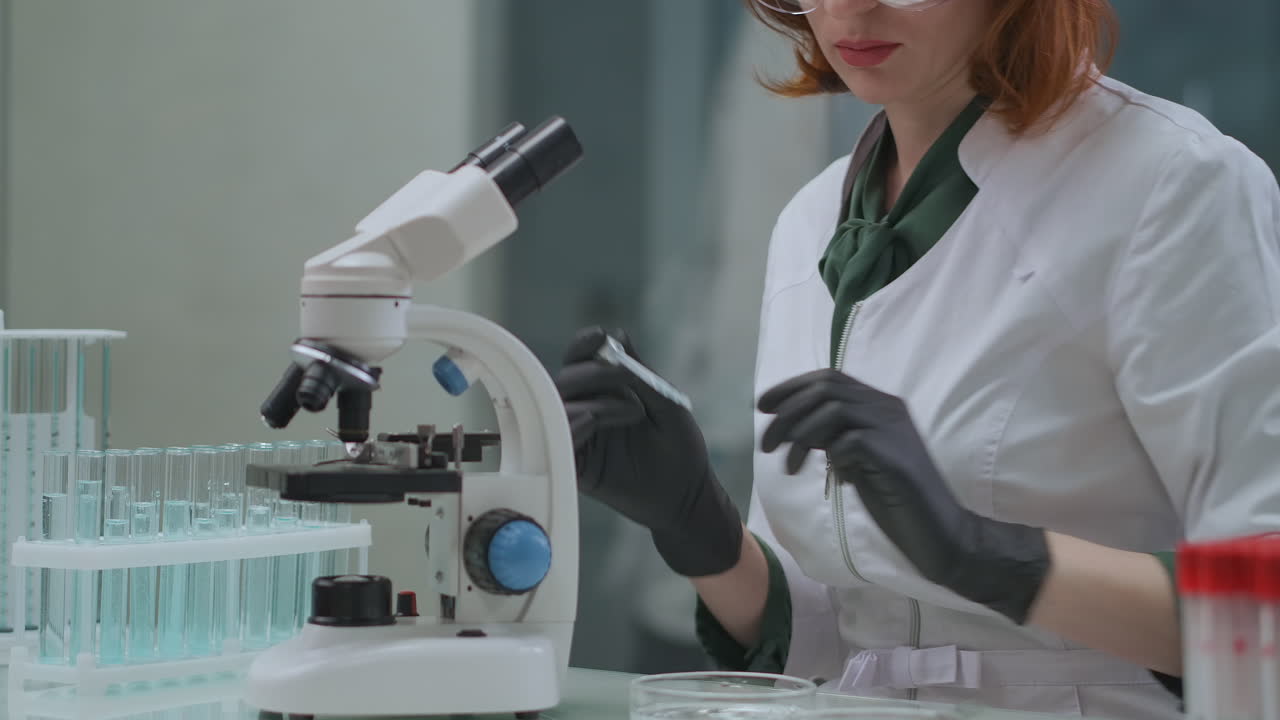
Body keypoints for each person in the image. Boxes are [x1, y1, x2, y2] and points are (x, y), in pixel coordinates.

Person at [554, 0, 1280, 716]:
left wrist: (987, 555)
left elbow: (1264, 613)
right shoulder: (811, 219)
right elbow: (826, 639)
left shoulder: (1171, 182)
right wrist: (697, 527)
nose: (850, 9)